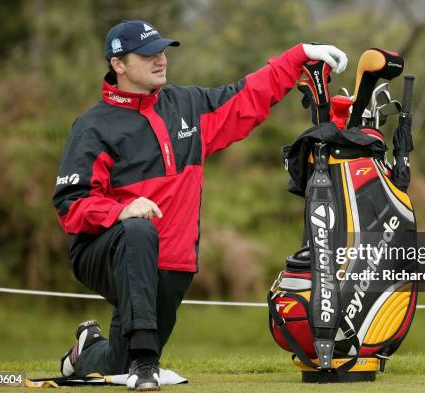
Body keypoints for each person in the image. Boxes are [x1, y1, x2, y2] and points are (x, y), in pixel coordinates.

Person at [52, 19, 347, 391]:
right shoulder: (93, 126)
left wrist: (297, 56)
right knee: (139, 235)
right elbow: (70, 205)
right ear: (118, 64)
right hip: (107, 254)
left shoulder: (187, 105)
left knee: (117, 363)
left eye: (161, 50)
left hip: (172, 263)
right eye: (147, 54)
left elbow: (246, 98)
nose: (160, 59)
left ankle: (87, 350)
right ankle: (146, 366)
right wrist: (119, 211)